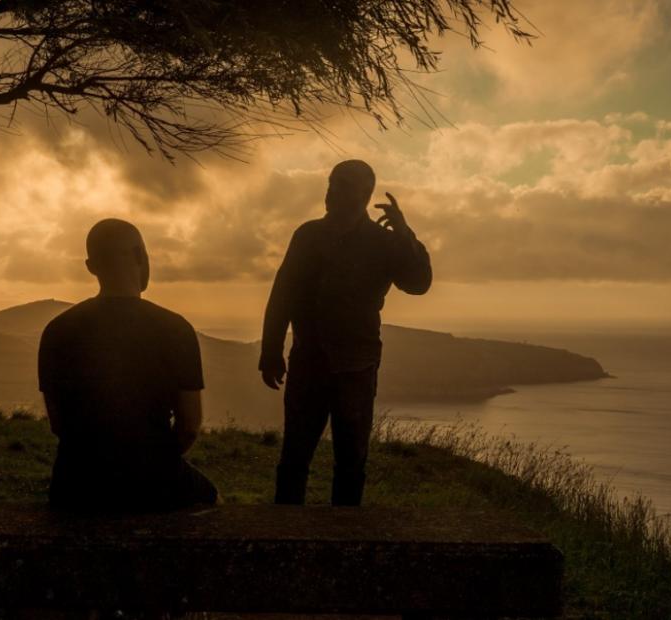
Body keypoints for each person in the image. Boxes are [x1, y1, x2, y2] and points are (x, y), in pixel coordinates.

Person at [259, 160, 432, 506]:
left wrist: (405, 235)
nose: (331, 191)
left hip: (356, 367)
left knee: (351, 463)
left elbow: (418, 284)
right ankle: (284, 534)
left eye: (342, 185)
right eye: (331, 183)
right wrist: (270, 350)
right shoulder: (306, 235)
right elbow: (283, 293)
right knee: (294, 457)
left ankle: (345, 538)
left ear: (364, 195)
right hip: (308, 360)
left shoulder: (384, 242)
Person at [38, 218, 218, 512]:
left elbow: (59, 424)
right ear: (141, 257)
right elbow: (189, 427)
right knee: (213, 503)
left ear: (91, 266)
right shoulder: (175, 329)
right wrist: (154, 462)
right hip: (153, 481)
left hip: (75, 484)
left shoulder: (57, 330)